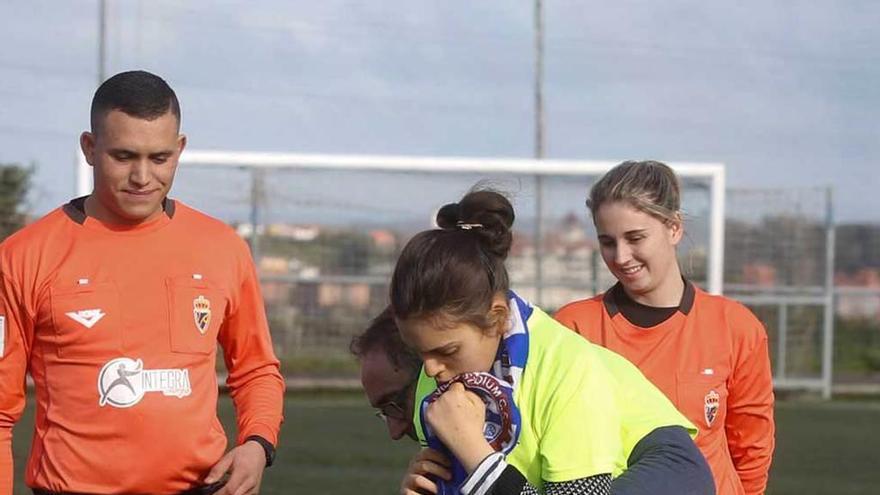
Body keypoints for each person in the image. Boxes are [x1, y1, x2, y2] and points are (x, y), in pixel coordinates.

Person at [0, 71, 285, 495]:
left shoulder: (222, 248)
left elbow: (257, 369)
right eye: (124, 156)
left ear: (180, 149)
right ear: (89, 148)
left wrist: (258, 443)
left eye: (159, 158)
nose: (141, 177)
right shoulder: (24, 256)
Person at [387, 189, 714, 495]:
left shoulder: (565, 366)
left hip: (662, 470)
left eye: (447, 351)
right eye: (420, 352)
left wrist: (476, 456)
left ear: (498, 318)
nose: (430, 369)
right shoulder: (434, 383)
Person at [555, 160, 775, 495]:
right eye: (608, 242)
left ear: (674, 228)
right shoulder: (573, 327)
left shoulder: (736, 327)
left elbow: (752, 449)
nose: (621, 256)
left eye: (635, 237)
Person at [351, 306, 714, 495]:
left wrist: (477, 458)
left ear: (436, 367)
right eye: (383, 414)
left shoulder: (551, 369)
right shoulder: (481, 381)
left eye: (395, 404)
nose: (396, 431)